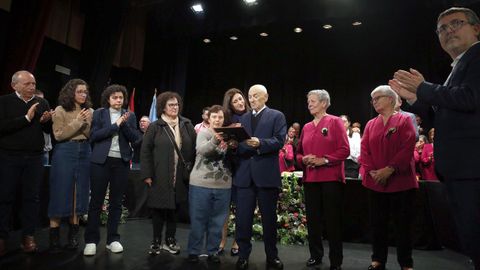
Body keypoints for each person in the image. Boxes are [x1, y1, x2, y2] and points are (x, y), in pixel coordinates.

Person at [389, 7, 480, 269]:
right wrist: (418, 100)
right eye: (442, 28)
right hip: (460, 169)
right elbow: (446, 116)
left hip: (472, 168)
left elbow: (471, 98)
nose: (448, 30)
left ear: (476, 28)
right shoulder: (459, 64)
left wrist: (424, 88)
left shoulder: (477, 56)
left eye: (456, 23)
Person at [359, 85, 417, 270]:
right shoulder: (370, 124)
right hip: (375, 183)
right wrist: (374, 172)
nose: (374, 101)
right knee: (377, 224)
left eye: (377, 98)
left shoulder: (404, 120)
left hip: (400, 182)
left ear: (391, 99)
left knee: (402, 226)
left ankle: (406, 263)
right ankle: (378, 260)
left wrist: (390, 169)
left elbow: (407, 148)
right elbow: (364, 150)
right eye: (372, 99)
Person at [83, 84, 142, 256]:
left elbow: (136, 138)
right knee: (96, 202)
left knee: (116, 203)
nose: (118, 100)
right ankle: (91, 241)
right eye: (115, 97)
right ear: (108, 99)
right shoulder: (100, 113)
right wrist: (115, 125)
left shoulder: (129, 115)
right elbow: (94, 136)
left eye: (121, 97)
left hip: (121, 162)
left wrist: (123, 125)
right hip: (101, 161)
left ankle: (112, 239)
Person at [233, 84, 286, 270]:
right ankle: (243, 256)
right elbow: (239, 146)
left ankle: (272, 257)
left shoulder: (277, 116)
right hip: (245, 176)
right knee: (242, 219)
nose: (252, 99)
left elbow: (280, 140)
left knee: (269, 220)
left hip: (266, 175)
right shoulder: (243, 118)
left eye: (256, 96)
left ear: (266, 97)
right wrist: (234, 143)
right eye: (250, 96)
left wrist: (260, 143)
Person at [0, 70, 52, 256]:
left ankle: (28, 236)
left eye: (33, 83)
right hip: (8, 157)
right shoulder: (4, 102)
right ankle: (2, 238)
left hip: (34, 158)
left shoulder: (42, 102)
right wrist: (26, 118)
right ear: (15, 85)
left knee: (31, 198)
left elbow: (47, 130)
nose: (32, 87)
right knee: (5, 197)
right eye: (27, 84)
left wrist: (46, 121)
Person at [296, 90, 349, 270]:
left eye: (313, 101)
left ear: (324, 103)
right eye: (308, 101)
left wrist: (324, 160)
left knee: (333, 221)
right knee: (313, 221)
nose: (309, 104)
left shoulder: (335, 122)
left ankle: (336, 261)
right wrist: (303, 159)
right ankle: (315, 256)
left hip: (331, 179)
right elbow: (298, 154)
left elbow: (344, 150)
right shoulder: (306, 127)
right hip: (311, 179)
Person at [140, 91, 196, 256]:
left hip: (180, 176)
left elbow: (194, 148)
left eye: (177, 104)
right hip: (159, 175)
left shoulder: (186, 124)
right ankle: (156, 241)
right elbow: (145, 152)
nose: (174, 107)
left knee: (174, 209)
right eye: (171, 104)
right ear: (163, 107)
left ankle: (170, 240)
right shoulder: (155, 126)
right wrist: (147, 174)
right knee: (158, 209)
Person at [48, 79, 93, 251]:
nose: (83, 94)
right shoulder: (60, 110)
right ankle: (54, 237)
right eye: (80, 91)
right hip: (65, 150)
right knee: (60, 191)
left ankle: (73, 236)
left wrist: (86, 121)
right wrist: (78, 121)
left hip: (85, 151)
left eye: (85, 91)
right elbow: (59, 135)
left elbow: (89, 134)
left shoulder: (90, 111)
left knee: (79, 192)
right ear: (71, 92)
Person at [187, 105, 234, 264]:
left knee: (217, 221)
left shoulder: (230, 137)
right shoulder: (203, 133)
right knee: (198, 219)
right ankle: (194, 251)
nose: (217, 119)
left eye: (220, 117)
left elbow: (233, 158)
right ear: (209, 118)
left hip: (223, 185)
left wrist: (235, 146)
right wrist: (216, 139)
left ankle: (212, 251)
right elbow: (203, 150)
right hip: (200, 184)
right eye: (214, 117)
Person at [219, 87, 250, 256]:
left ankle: (237, 241)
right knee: (224, 208)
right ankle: (222, 240)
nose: (240, 102)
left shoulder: (251, 117)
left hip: (244, 167)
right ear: (229, 105)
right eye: (235, 101)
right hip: (228, 167)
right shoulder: (226, 119)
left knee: (241, 208)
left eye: (241, 99)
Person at [35, 89, 53, 165]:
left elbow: (48, 130)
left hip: (45, 150)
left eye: (42, 100)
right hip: (32, 151)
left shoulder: (47, 112)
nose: (41, 104)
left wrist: (49, 120)